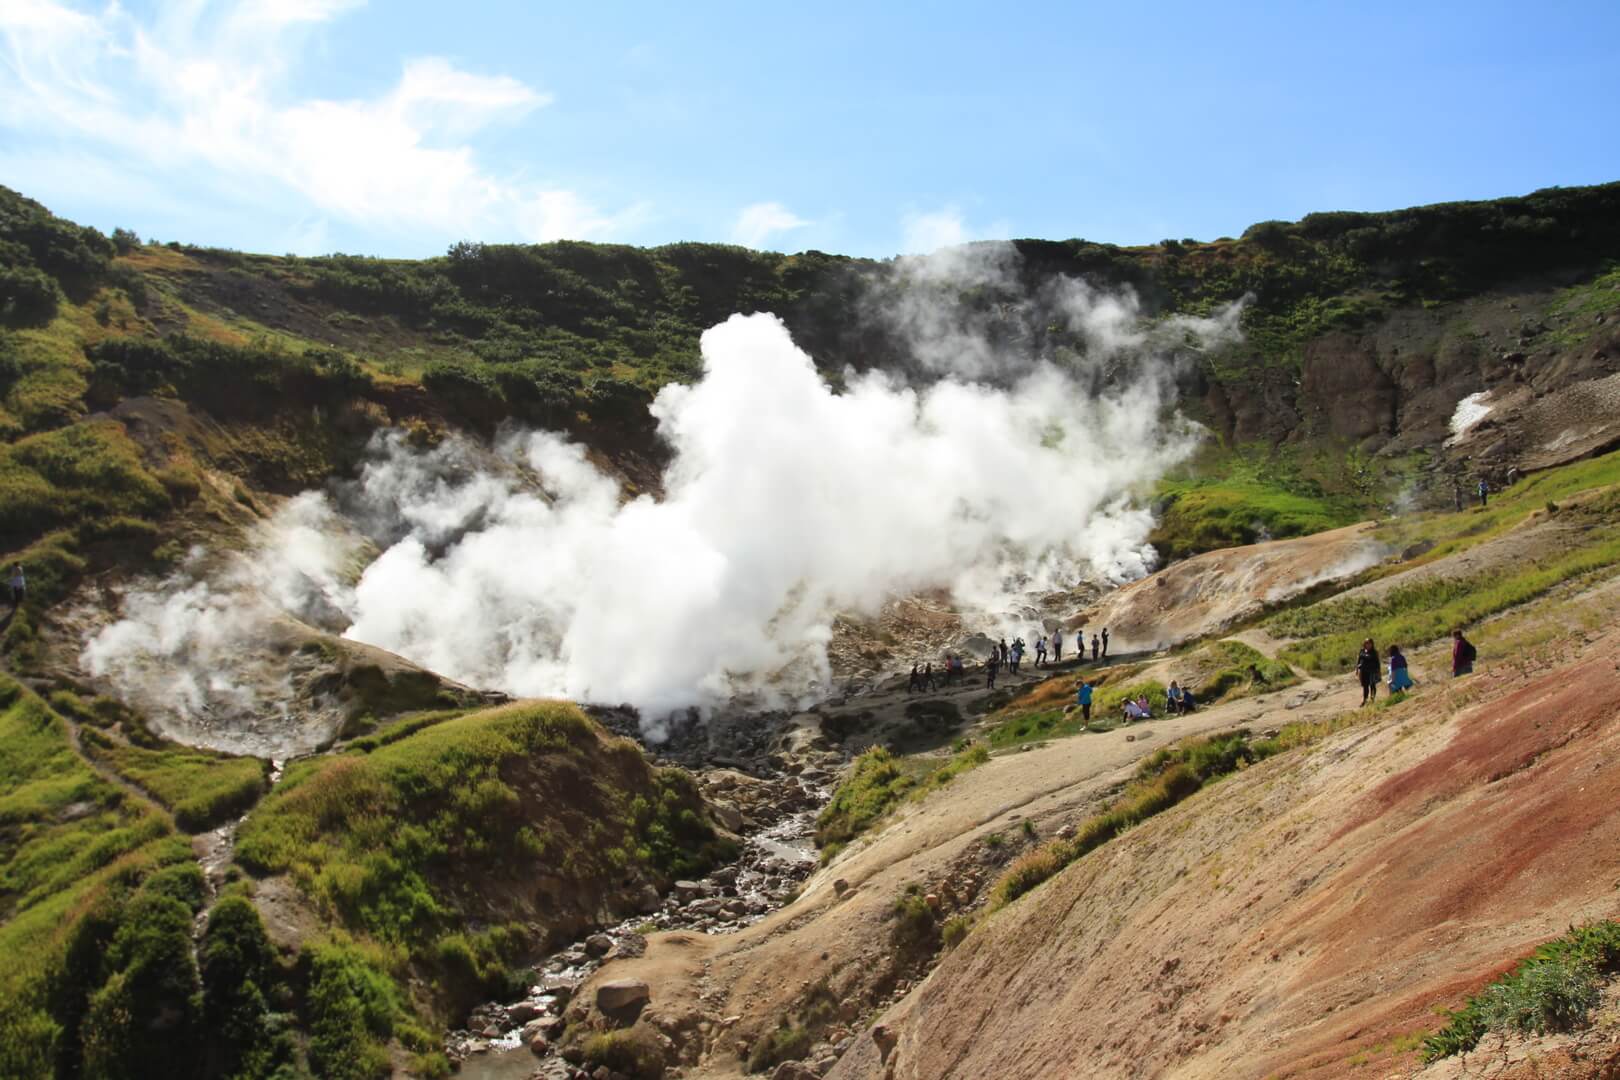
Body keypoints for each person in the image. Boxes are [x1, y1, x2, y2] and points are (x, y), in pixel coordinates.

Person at [1355, 638, 1380, 705]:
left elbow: (1377, 662)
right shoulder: (1362, 651)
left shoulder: (1374, 652)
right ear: (1364, 644)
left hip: (1372, 671)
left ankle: (1372, 699)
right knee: (1365, 686)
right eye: (1366, 643)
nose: (1368, 645)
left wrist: (1378, 671)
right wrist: (1357, 669)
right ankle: (1364, 700)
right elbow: (1358, 660)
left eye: (1369, 643)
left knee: (1372, 686)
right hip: (1364, 671)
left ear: (1372, 644)